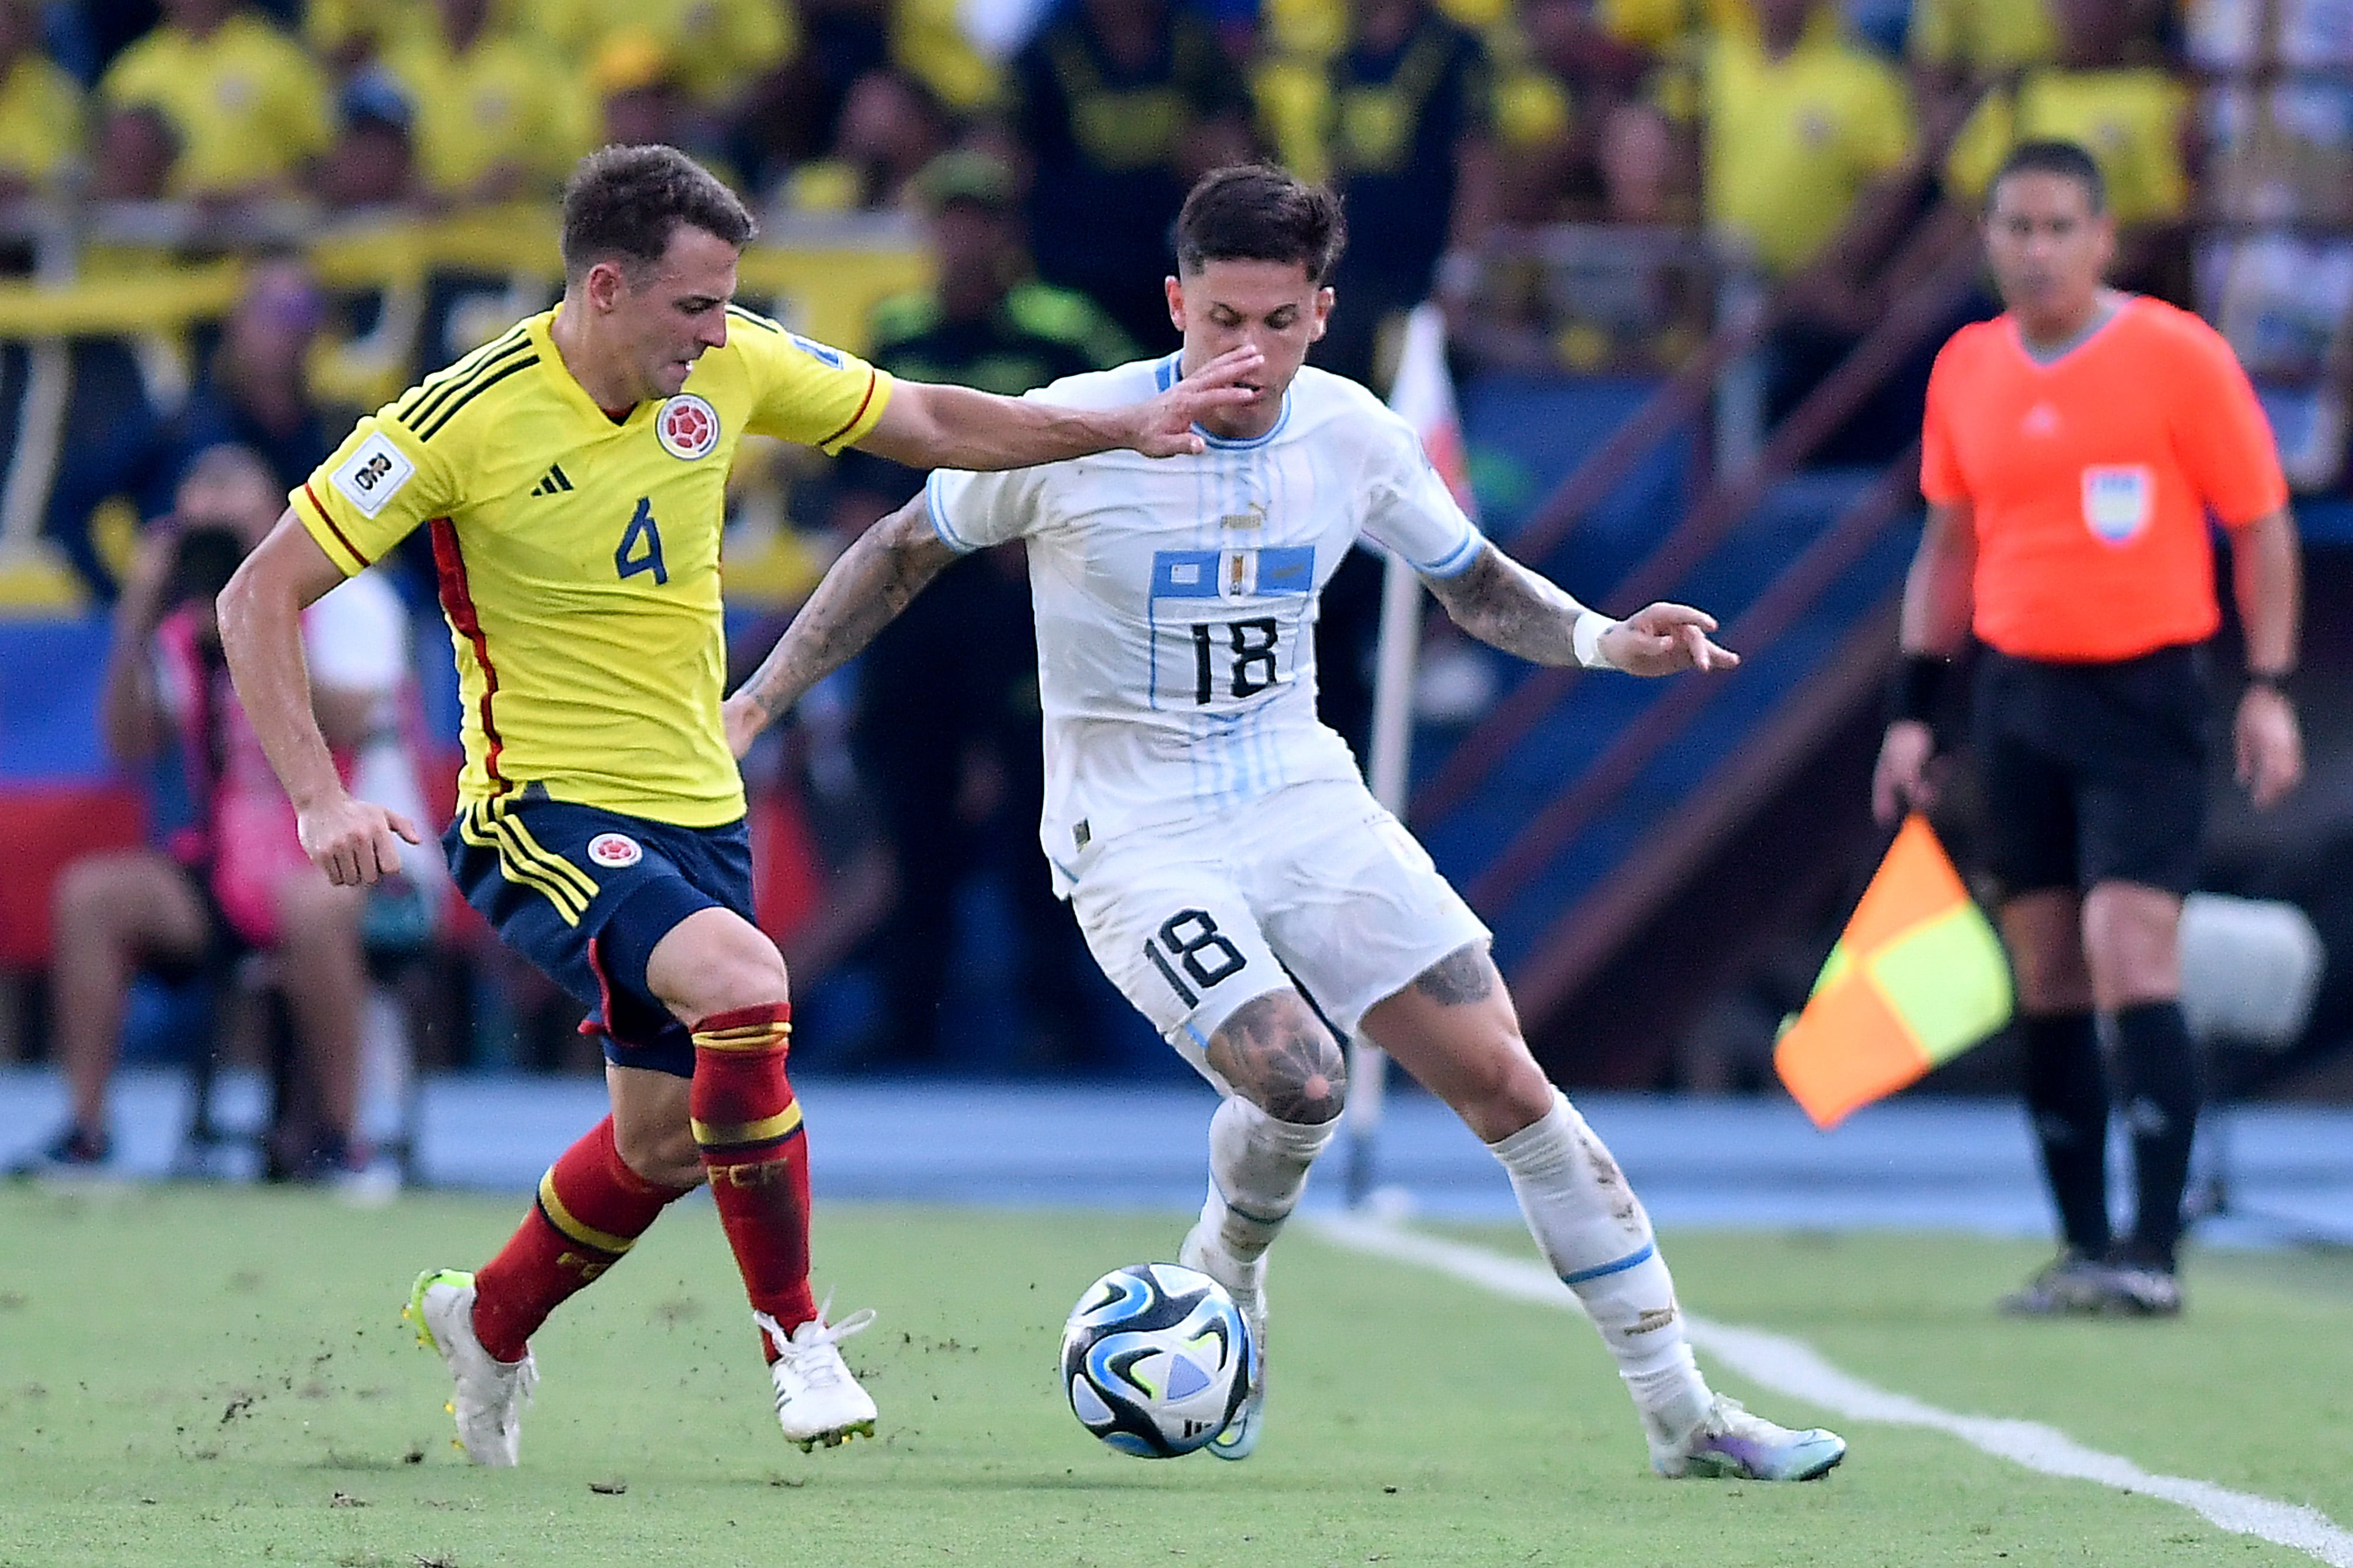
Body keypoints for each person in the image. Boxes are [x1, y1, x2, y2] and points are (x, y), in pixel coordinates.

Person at [726, 162, 1849, 1482]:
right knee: (1301, 1080)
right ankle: (1230, 1283)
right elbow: (901, 548)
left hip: (1298, 793)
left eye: (1274, 322)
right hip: (1132, 828)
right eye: (1218, 319)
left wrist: (1607, 641)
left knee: (1511, 1087)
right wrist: (753, 707)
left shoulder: (1352, 433)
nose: (1243, 353)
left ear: (1320, 313)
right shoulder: (1075, 426)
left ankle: (1682, 1416)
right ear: (1173, 304)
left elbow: (1472, 583)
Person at [214, 144, 1261, 1465]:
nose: (720, 334)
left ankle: (487, 1318)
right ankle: (798, 1340)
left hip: (697, 811)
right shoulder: (454, 418)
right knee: (745, 981)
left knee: (659, 1141)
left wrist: (1123, 423)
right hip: (537, 809)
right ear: (606, 287)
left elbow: (928, 422)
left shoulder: (733, 367)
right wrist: (316, 799)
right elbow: (255, 595)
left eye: (727, 304)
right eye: (695, 305)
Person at [1872, 140, 2303, 1319]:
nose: (2036, 247)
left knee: (2129, 952)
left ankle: (2150, 1251)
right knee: (2047, 967)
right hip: (2017, 693)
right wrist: (1914, 714)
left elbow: (2259, 526)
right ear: (1989, 239)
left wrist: (2265, 683)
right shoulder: (1966, 367)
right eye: (2015, 226)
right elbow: (1947, 548)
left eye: (2059, 226)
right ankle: (2081, 1245)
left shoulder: (2173, 356)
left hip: (2144, 692)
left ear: (2103, 238)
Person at [12, 446, 412, 1185]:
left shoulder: (354, 600)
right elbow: (127, 742)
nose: (222, 550)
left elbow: (354, 724)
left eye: (239, 529)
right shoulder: (181, 625)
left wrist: (264, 621)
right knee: (91, 894)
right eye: (205, 534)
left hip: (366, 853)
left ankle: (345, 1142)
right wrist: (138, 621)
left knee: (309, 904)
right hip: (229, 861)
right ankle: (87, 1131)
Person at [830, 150, 1136, 1068]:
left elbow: (1127, 445)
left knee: (1043, 815)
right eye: (947, 217)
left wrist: (1047, 532)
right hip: (916, 609)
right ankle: (910, 1016)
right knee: (909, 812)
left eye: (980, 217)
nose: (962, 236)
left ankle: (1059, 1018)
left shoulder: (1069, 333)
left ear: (1007, 229)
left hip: (1024, 610)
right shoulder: (894, 332)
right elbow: (847, 468)